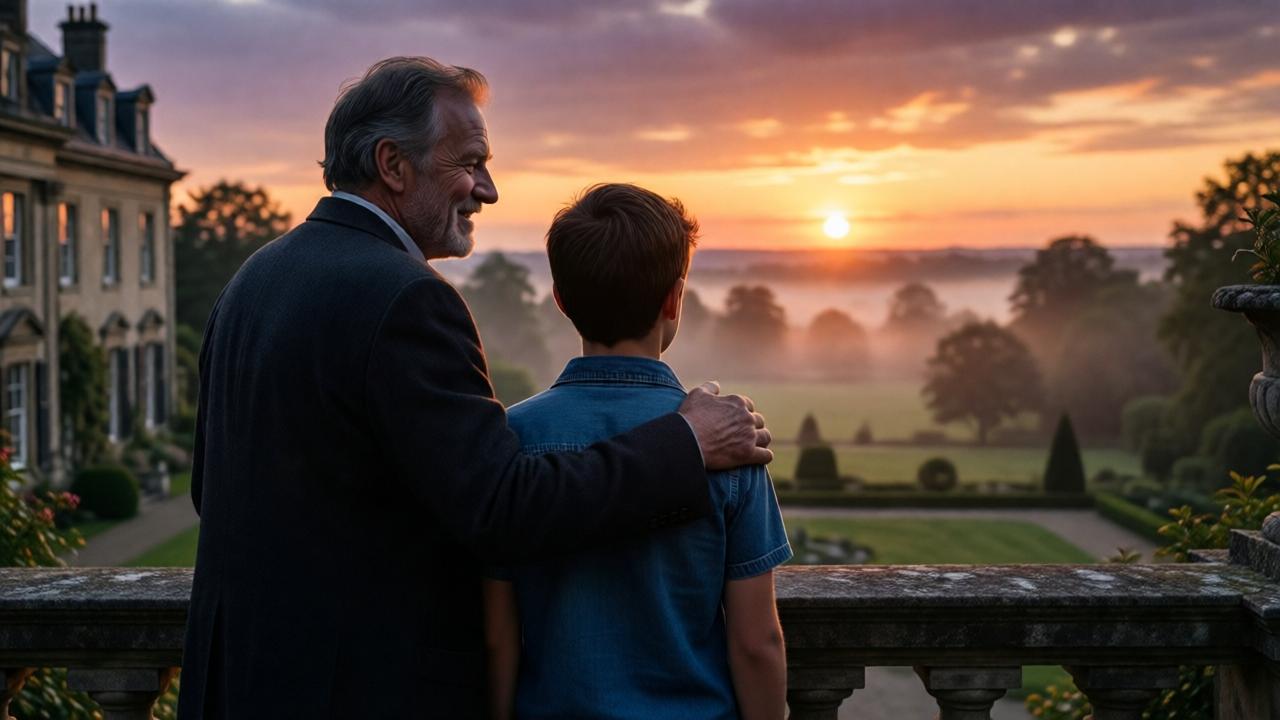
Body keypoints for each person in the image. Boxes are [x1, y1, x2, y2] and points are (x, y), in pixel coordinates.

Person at [177, 57, 773, 719]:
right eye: (470, 162)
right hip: (353, 689)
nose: (486, 189)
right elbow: (503, 508)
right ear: (393, 165)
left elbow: (210, 486)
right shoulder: (404, 298)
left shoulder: (256, 278)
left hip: (240, 682)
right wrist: (684, 443)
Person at [483, 183, 790, 720]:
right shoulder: (728, 441)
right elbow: (756, 642)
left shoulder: (513, 437)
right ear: (675, 299)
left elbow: (497, 637)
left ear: (561, 299)